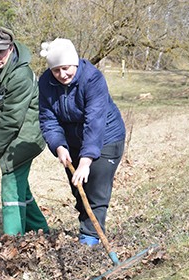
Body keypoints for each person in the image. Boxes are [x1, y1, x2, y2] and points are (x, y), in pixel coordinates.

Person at [38, 38, 126, 246]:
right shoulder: (46, 83)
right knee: (79, 188)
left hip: (106, 138)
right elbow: (47, 118)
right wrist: (58, 146)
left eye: (66, 68)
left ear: (75, 63)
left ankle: (91, 238)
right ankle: (88, 227)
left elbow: (94, 122)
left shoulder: (92, 79)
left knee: (95, 187)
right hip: (72, 141)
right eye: (56, 70)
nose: (62, 75)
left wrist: (86, 161)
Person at [0, 25, 49, 236]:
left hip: (25, 137)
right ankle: (41, 229)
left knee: (11, 183)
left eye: (1, 51)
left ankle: (12, 242)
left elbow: (11, 120)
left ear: (11, 47)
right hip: (4, 132)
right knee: (20, 187)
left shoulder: (21, 75)